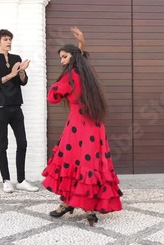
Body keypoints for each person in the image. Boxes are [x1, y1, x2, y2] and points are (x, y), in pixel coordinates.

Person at [42, 28, 123, 226]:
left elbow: (52, 98)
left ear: (72, 58)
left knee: (72, 165)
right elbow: (82, 61)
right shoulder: (89, 73)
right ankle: (83, 206)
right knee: (90, 166)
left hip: (77, 129)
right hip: (95, 128)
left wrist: (55, 83)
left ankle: (72, 203)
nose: (61, 61)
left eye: (64, 57)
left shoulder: (68, 78)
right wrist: (81, 45)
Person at [0, 29, 39, 193]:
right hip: (0, 108)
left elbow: (23, 82)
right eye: (5, 39)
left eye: (10, 39)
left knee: (22, 143)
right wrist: (11, 74)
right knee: (3, 144)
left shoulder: (16, 58)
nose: (8, 42)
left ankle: (21, 180)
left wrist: (21, 71)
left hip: (16, 106)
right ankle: (6, 180)